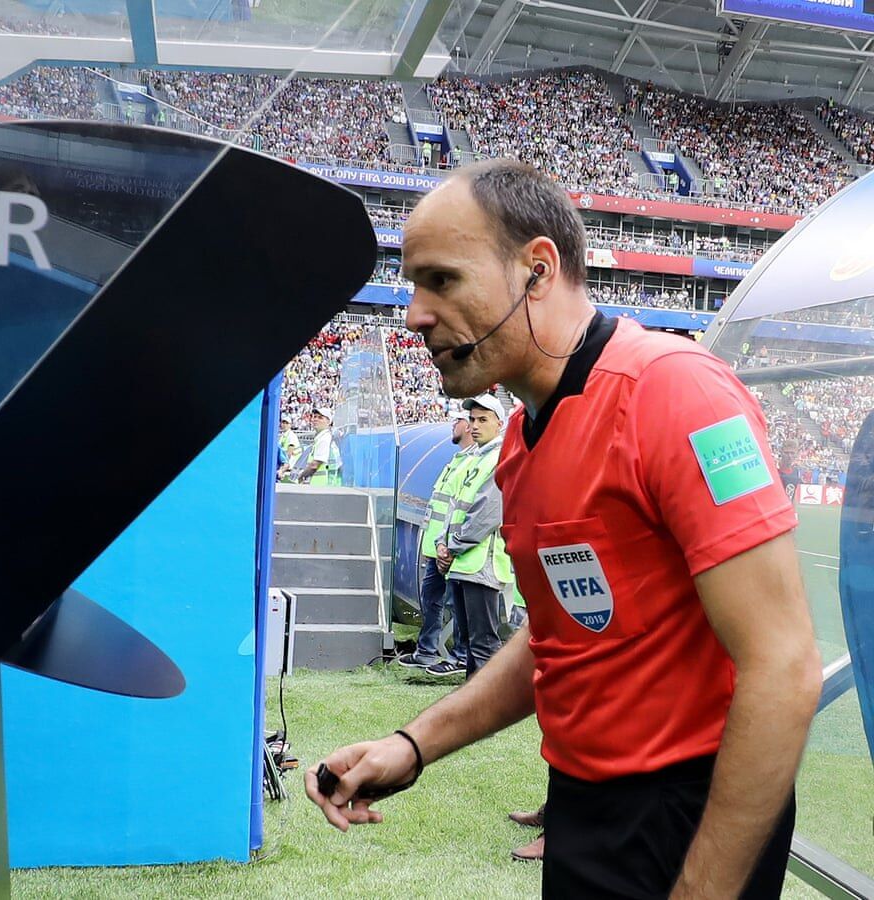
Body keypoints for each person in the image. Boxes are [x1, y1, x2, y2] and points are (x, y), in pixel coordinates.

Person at [306, 159, 821, 899]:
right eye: (414, 285)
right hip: (584, 805)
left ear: (537, 270)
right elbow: (555, 643)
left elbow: (784, 667)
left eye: (441, 280)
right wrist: (412, 745)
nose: (415, 313)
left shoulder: (676, 393)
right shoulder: (520, 442)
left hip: (690, 818)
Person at [398, 407, 477, 675]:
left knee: (456, 604)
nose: (453, 423)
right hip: (437, 545)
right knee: (431, 599)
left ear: (467, 427)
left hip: (452, 549)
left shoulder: (474, 461)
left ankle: (460, 655)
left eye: (458, 420)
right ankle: (426, 651)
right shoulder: (456, 459)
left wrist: (449, 545)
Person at [438, 393, 511, 678]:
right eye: (472, 419)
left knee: (483, 643)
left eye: (483, 420)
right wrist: (443, 546)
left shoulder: (498, 459)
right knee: (469, 642)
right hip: (461, 562)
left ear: (499, 424)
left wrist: (452, 548)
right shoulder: (473, 458)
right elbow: (452, 506)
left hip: (480, 564)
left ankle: (483, 708)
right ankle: (471, 703)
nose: (474, 426)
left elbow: (486, 514)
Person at [298, 406, 341, 486]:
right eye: (314, 417)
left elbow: (315, 465)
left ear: (328, 422)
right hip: (323, 487)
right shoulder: (324, 437)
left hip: (322, 487)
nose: (315, 419)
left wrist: (301, 476)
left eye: (320, 418)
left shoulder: (324, 439)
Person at [277, 416, 302, 481]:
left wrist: (282, 468)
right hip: (286, 466)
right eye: (283, 422)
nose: (284, 425)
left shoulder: (291, 436)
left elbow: (289, 453)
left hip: (291, 467)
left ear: (290, 425)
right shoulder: (283, 436)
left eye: (286, 423)